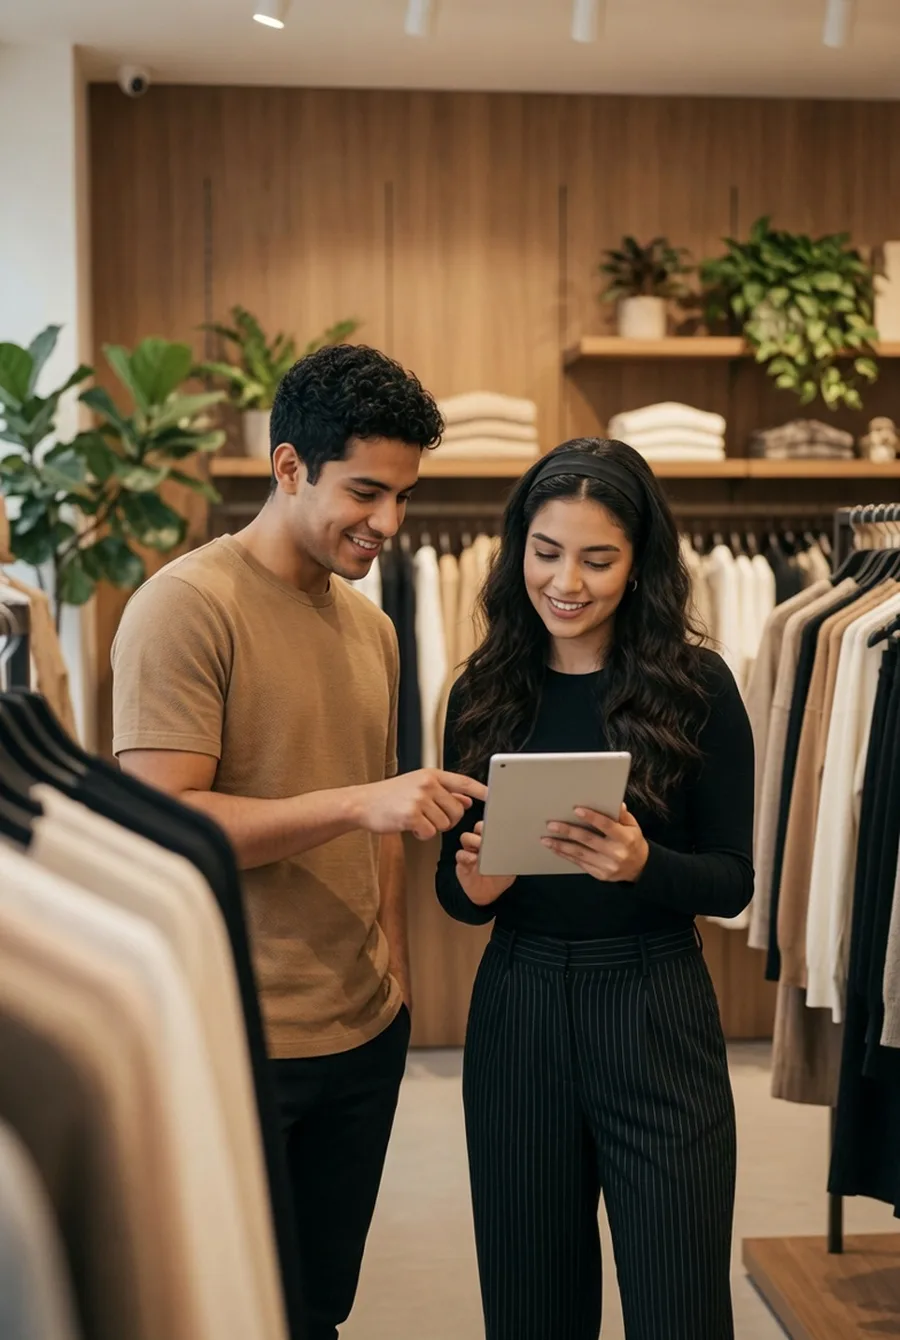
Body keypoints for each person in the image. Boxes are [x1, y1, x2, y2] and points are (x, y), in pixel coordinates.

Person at [111, 343, 487, 1340]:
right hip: (237, 1041)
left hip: (361, 1032)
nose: (389, 523)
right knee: (229, 1312)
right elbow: (165, 819)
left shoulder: (372, 630)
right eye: (366, 491)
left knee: (320, 1308)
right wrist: (359, 803)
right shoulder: (187, 607)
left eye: (404, 494)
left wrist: (395, 978)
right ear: (288, 466)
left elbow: (388, 818)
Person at [437, 437, 754, 1340]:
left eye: (597, 558)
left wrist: (643, 865)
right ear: (517, 551)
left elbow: (733, 880)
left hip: (655, 1003)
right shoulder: (484, 692)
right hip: (519, 1007)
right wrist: (479, 882)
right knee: (530, 1306)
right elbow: (454, 895)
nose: (565, 581)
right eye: (545, 552)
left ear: (640, 562)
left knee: (680, 1303)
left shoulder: (696, 687)